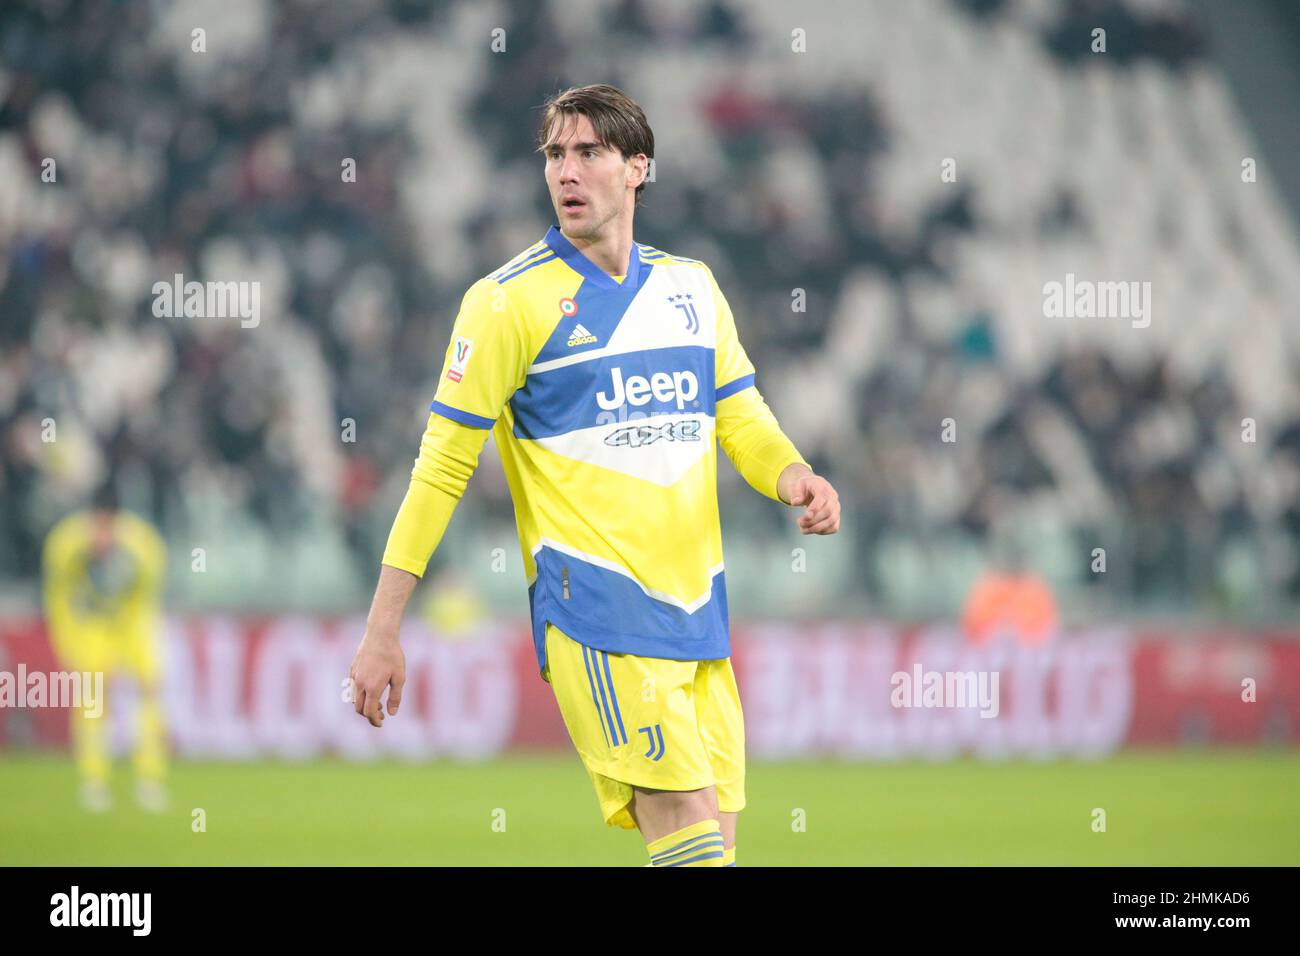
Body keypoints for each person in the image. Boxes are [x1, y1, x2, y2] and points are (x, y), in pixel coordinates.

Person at [349, 84, 840, 866]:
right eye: (554, 154)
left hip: (699, 614)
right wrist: (382, 630)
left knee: (718, 850)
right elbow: (440, 469)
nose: (566, 172)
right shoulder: (505, 304)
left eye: (589, 153)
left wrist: (795, 476)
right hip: (600, 613)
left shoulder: (692, 287)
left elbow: (740, 415)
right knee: (693, 845)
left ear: (638, 167)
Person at [42, 485, 169, 812]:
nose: (102, 537)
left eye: (107, 527)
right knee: (92, 703)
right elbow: (58, 600)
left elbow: (146, 600)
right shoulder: (65, 544)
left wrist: (141, 644)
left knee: (150, 691)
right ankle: (94, 781)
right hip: (92, 628)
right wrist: (67, 644)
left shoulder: (143, 546)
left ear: (117, 522)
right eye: (97, 527)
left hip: (130, 625)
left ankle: (149, 780)